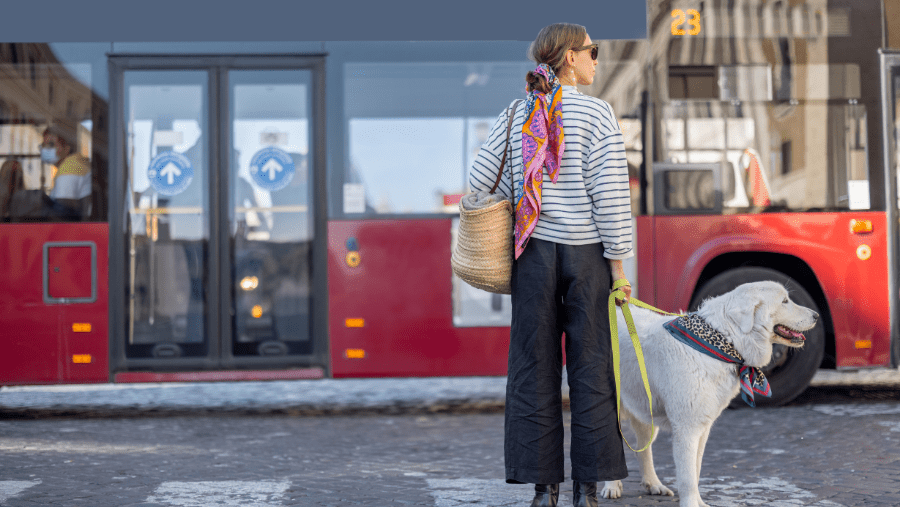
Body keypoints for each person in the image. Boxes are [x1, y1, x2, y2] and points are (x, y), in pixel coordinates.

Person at [468, 23, 633, 507]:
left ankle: (544, 491)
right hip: (586, 259)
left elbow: (479, 179)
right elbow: (611, 199)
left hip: (533, 256)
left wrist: (524, 189)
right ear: (569, 59)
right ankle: (588, 489)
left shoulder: (518, 111)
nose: (597, 60)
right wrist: (618, 268)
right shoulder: (598, 114)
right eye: (593, 51)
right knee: (593, 370)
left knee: (532, 369)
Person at [41, 126, 91, 218]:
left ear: (67, 148)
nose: (45, 149)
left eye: (51, 144)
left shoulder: (69, 170)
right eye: (44, 145)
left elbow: (62, 215)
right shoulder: (77, 164)